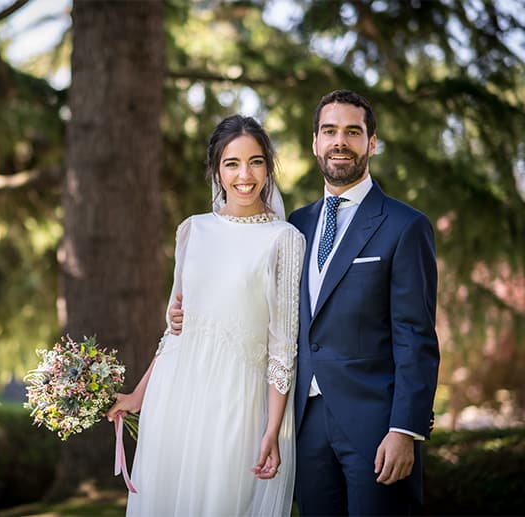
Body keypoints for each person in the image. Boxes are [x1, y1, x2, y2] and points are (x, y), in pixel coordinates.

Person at [170, 90, 440, 515]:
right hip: (305, 428)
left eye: (353, 132)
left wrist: (404, 429)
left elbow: (416, 337)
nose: (340, 141)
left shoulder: (405, 226)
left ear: (371, 142)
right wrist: (192, 312)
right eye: (329, 131)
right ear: (315, 142)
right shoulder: (296, 226)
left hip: (375, 428)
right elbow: (265, 314)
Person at [107, 114, 305, 516]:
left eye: (255, 161)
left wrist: (274, 431)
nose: (244, 175)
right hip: (174, 399)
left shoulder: (284, 240)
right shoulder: (191, 231)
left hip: (236, 404)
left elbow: (283, 347)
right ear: (217, 170)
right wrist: (137, 397)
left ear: (268, 166)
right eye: (232, 163)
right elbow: (176, 331)